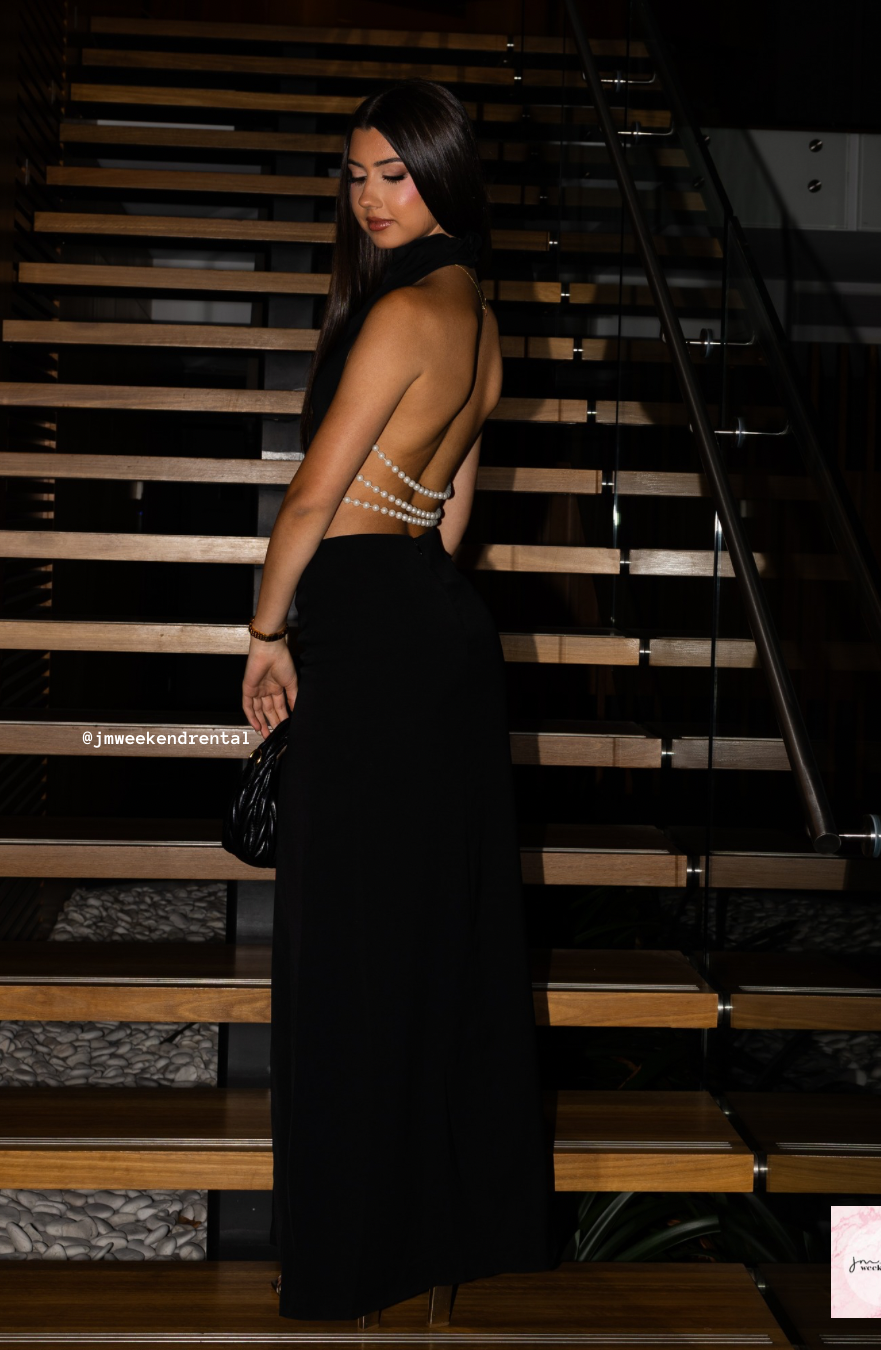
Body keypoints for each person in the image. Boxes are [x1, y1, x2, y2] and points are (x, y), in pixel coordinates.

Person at [240, 79, 555, 1323]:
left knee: (351, 948)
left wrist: (267, 632)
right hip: (433, 620)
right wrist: (410, 598)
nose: (373, 198)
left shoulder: (400, 312)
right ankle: (437, 1235)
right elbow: (453, 506)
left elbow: (313, 499)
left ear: (444, 175)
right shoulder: (479, 316)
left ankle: (357, 1251)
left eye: (397, 174)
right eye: (358, 175)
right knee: (430, 942)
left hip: (370, 627)